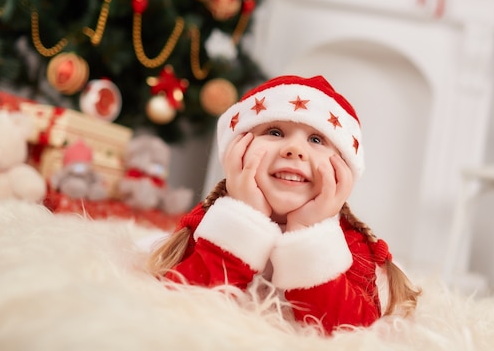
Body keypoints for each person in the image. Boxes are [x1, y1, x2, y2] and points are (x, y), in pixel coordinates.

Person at [147, 74, 421, 334]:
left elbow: (351, 336)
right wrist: (244, 220)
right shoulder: (210, 224)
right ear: (238, 149)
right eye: (275, 132)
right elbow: (179, 306)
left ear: (343, 171)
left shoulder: (352, 248)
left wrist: (306, 231)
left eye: (316, 139)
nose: (295, 149)